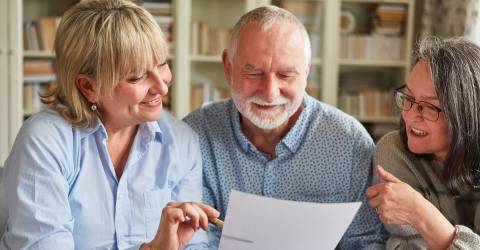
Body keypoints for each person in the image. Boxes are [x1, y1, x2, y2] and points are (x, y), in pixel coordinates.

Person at [0, 0, 219, 249]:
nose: (162, 86)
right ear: (89, 87)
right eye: (136, 76)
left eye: (162, 64)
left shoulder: (181, 140)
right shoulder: (45, 139)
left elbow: (194, 244)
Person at [183, 5, 386, 249]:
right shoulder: (194, 135)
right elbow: (193, 239)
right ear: (228, 67)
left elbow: (368, 242)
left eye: (286, 75)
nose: (270, 93)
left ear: (306, 72)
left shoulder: (350, 143)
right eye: (254, 72)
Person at [366, 36, 480, 249]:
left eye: (429, 107)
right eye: (408, 99)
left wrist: (419, 211)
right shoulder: (394, 152)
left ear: (466, 113)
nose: (409, 116)